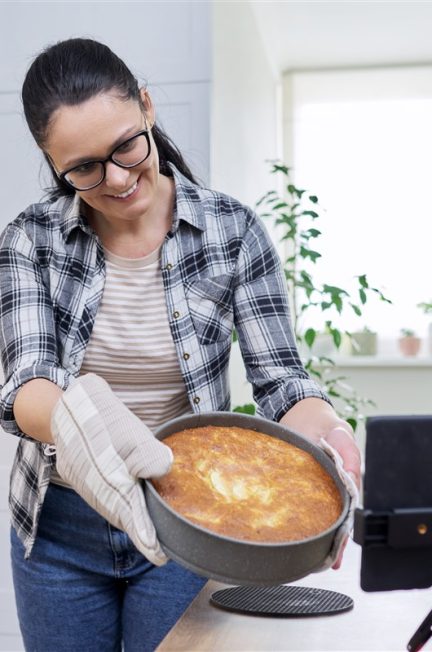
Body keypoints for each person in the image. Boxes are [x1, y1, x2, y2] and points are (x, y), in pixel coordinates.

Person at [0, 37, 361, 652]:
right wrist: (83, 422)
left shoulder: (233, 230)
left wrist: (331, 439)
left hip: (191, 521)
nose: (116, 179)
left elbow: (282, 383)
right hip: (58, 528)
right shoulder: (29, 241)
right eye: (84, 167)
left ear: (146, 106)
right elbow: (26, 381)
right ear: (50, 158)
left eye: (126, 147)